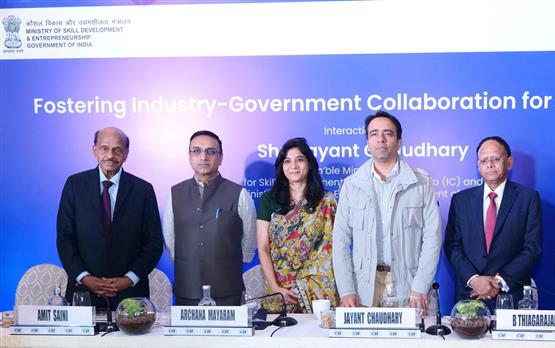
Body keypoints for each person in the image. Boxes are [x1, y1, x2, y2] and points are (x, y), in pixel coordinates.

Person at [332, 111, 442, 310]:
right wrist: (346, 290)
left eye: (388, 133)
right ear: (367, 142)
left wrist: (420, 285)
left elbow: (432, 238)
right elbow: (340, 241)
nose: (380, 139)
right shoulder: (351, 185)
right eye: (374, 134)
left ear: (399, 142)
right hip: (364, 286)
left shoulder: (421, 182)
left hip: (408, 284)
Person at [56, 127, 163, 308]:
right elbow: (65, 239)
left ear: (126, 154)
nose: (110, 155)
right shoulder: (75, 185)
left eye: (117, 150)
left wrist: (129, 279)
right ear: (94, 150)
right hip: (83, 292)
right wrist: (85, 278)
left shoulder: (143, 190)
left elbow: (153, 243)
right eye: (104, 148)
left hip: (130, 294)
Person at [444, 136, 542, 309]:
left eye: (495, 159)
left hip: (510, 294)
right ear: (478, 166)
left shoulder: (528, 198)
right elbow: (452, 246)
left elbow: (532, 248)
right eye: (484, 160)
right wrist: (474, 279)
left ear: (509, 162)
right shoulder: (461, 200)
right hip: (470, 295)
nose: (489, 164)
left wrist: (499, 281)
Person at [163, 130, 257, 306]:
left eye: (211, 151)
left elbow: (250, 240)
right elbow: (170, 240)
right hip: (187, 287)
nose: (204, 157)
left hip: (227, 287)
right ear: (189, 157)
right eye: (196, 151)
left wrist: (229, 260)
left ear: (221, 158)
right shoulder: (174, 193)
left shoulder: (239, 194)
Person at [256, 137, 338, 312]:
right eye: (287, 161)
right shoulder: (269, 200)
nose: (293, 166)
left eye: (299, 160)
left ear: (309, 164)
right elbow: (263, 248)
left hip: (317, 290)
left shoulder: (325, 201)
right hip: (279, 288)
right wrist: (276, 288)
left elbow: (335, 247)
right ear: (281, 166)